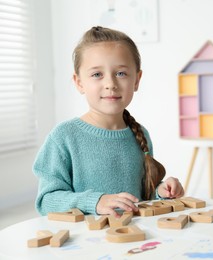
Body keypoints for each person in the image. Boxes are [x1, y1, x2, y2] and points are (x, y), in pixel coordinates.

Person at [33, 26, 184, 217]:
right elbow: (47, 201)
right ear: (79, 82)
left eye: (121, 73)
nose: (110, 83)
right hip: (83, 243)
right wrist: (95, 202)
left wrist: (161, 192)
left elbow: (142, 198)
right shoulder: (63, 137)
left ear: (137, 80)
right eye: (97, 74)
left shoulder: (141, 135)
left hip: (131, 240)